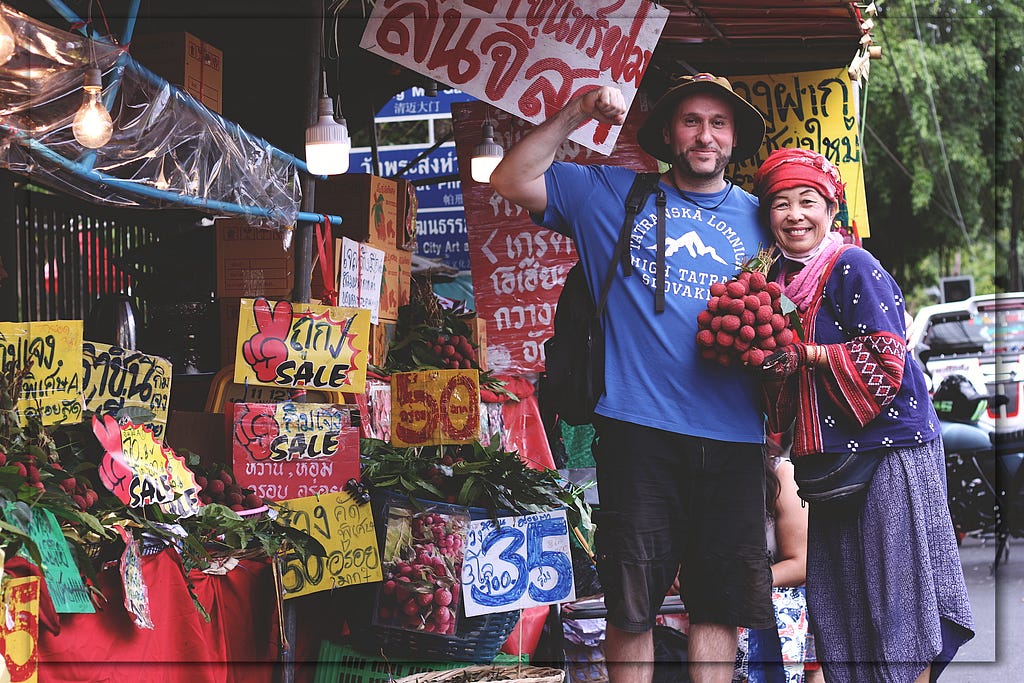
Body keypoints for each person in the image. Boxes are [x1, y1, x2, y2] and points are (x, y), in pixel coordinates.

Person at [490, 74, 776, 683]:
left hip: (735, 438)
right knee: (633, 603)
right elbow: (509, 177)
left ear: (734, 139)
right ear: (668, 134)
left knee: (718, 603)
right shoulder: (610, 196)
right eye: (692, 121)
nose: (705, 135)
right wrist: (576, 113)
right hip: (636, 429)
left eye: (718, 124)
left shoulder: (763, 222)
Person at [752, 147, 974, 683]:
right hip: (827, 466)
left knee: (900, 605)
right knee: (843, 608)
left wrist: (807, 356)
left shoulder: (852, 265)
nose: (795, 214)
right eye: (781, 204)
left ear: (833, 211)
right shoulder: (774, 285)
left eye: (808, 200)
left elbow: (886, 359)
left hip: (889, 456)